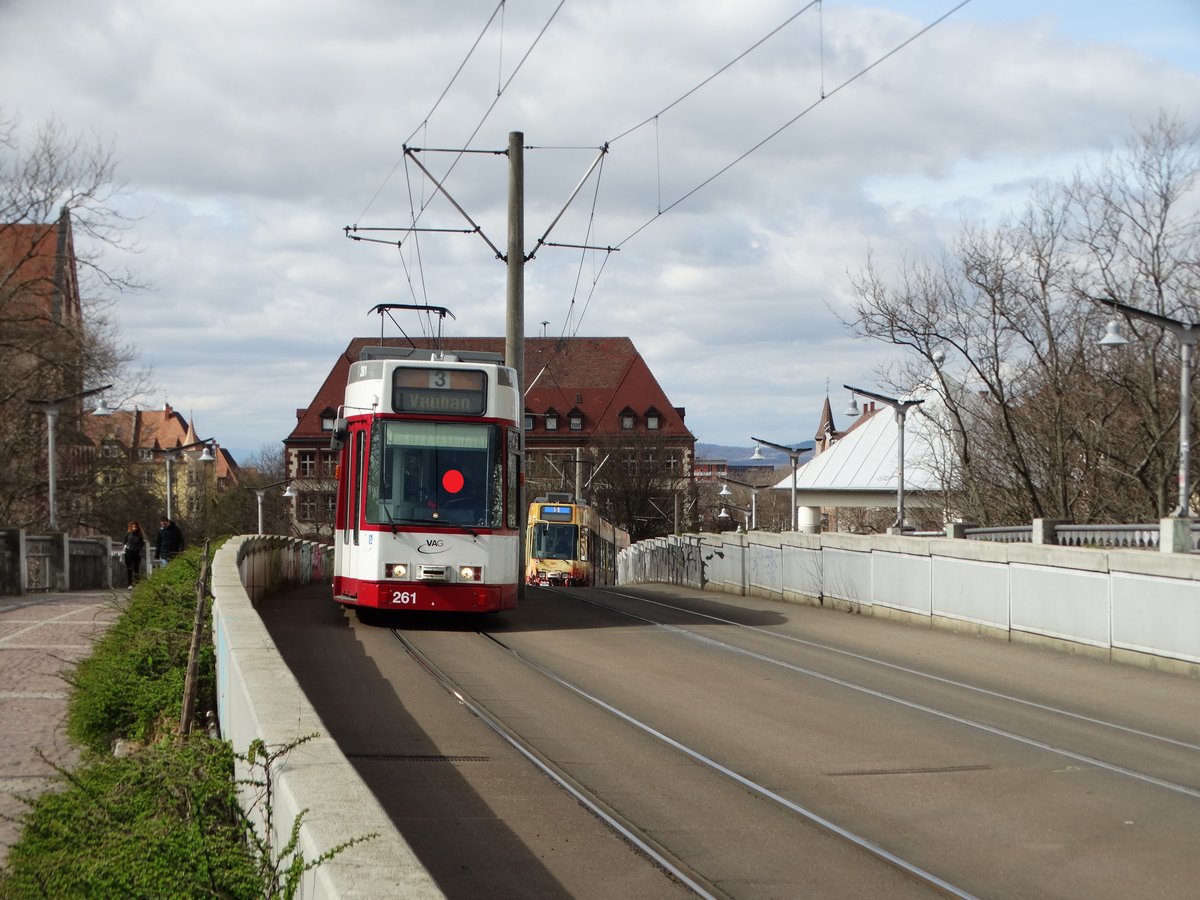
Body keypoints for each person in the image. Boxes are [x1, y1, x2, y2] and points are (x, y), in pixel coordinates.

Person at [122, 521, 145, 586]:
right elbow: (124, 542)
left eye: (135, 527)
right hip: (128, 553)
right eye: (133, 527)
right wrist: (126, 547)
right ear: (130, 527)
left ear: (137, 527)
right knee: (129, 568)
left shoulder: (139, 535)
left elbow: (142, 544)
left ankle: (137, 583)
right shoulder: (128, 534)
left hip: (136, 553)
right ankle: (130, 584)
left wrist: (138, 549)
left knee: (136, 568)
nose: (134, 528)